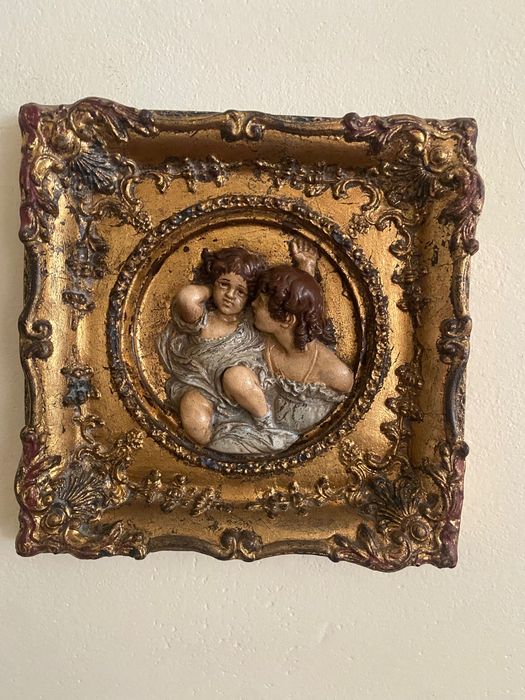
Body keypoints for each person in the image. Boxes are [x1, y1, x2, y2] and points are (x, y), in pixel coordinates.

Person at [157, 247, 297, 452]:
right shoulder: (201, 320)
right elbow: (186, 298)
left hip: (242, 387)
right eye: (224, 284)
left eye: (240, 291)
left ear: (250, 297)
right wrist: (210, 288)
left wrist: (306, 267)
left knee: (236, 377)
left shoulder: (251, 321)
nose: (230, 295)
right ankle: (220, 447)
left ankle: (267, 424)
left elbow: (291, 307)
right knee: (194, 422)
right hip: (201, 386)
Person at [252, 262, 354, 433]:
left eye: (261, 302)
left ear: (286, 320)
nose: (253, 304)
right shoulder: (260, 343)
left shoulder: (337, 376)